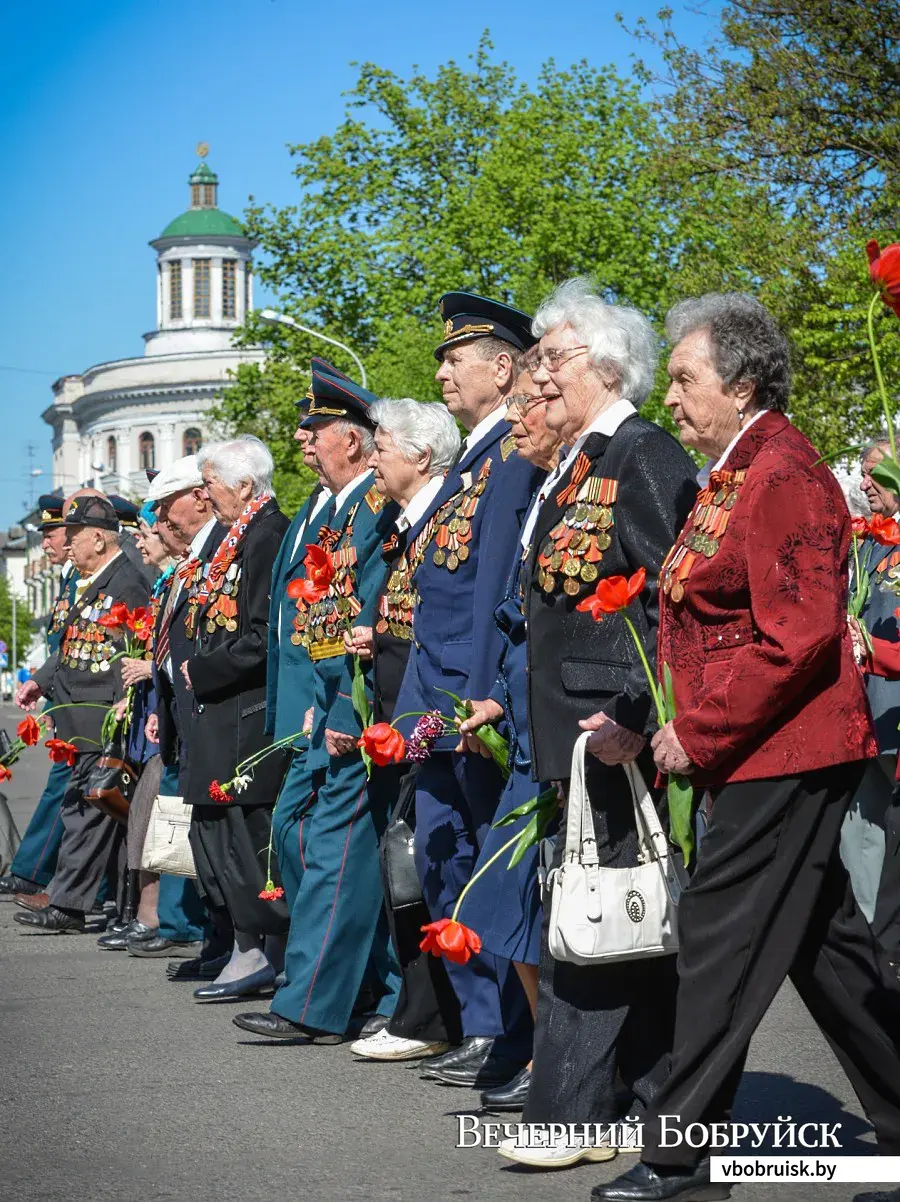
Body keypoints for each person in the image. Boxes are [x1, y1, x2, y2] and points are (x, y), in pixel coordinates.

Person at [593, 293, 900, 1202]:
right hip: (762, 750)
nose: (673, 397)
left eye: (686, 379)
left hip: (787, 752)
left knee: (716, 948)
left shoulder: (786, 473)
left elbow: (800, 634)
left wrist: (699, 729)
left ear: (744, 382)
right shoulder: (737, 467)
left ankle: (681, 1164)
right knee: (832, 958)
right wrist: (653, 723)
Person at [488, 278, 697, 1169]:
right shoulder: (577, 463)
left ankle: (569, 1113)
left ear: (607, 365)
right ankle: (647, 1099)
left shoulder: (640, 454)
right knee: (622, 920)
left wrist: (635, 716)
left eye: (554, 359)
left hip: (609, 729)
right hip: (567, 729)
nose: (539, 378)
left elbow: (670, 606)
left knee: (593, 920)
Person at [391, 292, 546, 1091]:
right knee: (453, 860)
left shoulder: (511, 455)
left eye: (457, 357)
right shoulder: (479, 458)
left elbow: (492, 588)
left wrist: (482, 694)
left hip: (471, 697)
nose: (443, 368)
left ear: (502, 366)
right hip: (438, 690)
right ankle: (489, 1029)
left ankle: (518, 1039)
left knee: (492, 872)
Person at [234, 365, 400, 1042]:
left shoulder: (370, 509)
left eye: (317, 429)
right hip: (306, 709)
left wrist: (338, 712)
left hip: (345, 709)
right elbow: (293, 625)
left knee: (329, 852)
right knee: (295, 842)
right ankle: (366, 988)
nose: (303, 441)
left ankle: (315, 1003)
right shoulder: (317, 509)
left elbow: (358, 613)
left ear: (355, 441)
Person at [454, 348, 563, 1111]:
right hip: (522, 714)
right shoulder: (540, 485)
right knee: (506, 899)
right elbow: (512, 613)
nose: (519, 419)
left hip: (571, 726)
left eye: (532, 404)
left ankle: (560, 1057)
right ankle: (551, 1049)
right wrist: (492, 694)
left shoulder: (584, 479)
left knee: (541, 902)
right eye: (519, 404)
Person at [343, 397, 464, 1062]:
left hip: (429, 724)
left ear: (420, 457)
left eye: (383, 445)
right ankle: (424, 1015)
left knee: (425, 870)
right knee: (410, 870)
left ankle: (437, 1019)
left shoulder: (443, 519)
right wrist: (376, 636)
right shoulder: (407, 522)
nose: (374, 456)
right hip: (403, 721)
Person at [177, 436, 291, 1001]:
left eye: (211, 482)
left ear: (244, 486)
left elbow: (260, 637)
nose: (204, 494)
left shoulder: (266, 538)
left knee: (246, 839)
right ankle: (249, 948)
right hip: (222, 711)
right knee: (216, 835)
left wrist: (203, 669)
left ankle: (261, 953)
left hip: (244, 711)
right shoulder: (236, 536)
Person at [14, 495, 150, 934]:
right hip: (77, 718)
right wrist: (39, 678)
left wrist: (123, 708)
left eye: (73, 537)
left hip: (101, 718)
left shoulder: (127, 583)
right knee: (84, 810)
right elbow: (73, 642)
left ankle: (69, 905)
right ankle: (88, 903)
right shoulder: (92, 580)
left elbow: (134, 650)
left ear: (97, 537)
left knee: (87, 811)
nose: (68, 545)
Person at [143, 456, 229, 974]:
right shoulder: (188, 567)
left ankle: (204, 934)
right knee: (187, 825)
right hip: (181, 708)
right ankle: (201, 935)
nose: (159, 525)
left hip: (210, 707)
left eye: (167, 509)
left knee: (208, 827)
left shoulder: (211, 555)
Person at [1, 495, 78, 902]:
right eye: (44, 536)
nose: (46, 544)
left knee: (68, 792)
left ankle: (33, 872)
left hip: (81, 704)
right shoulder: (68, 578)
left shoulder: (83, 576)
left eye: (52, 534)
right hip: (63, 698)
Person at [842, 435, 900, 964]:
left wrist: (872, 648)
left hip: (895, 721)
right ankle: (870, 955)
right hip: (862, 721)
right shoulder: (869, 543)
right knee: (858, 838)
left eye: (874, 472)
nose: (863, 483)